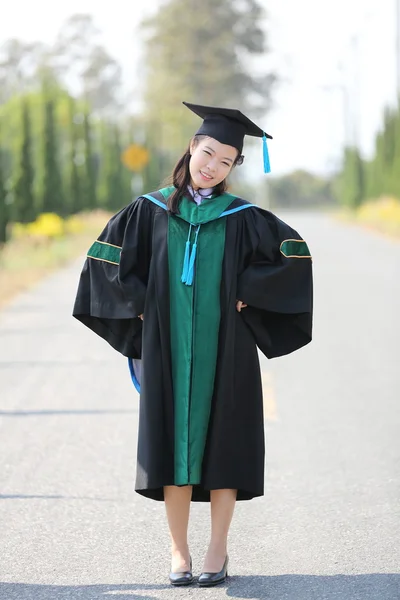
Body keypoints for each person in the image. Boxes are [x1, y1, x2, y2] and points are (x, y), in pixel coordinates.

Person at [72, 101, 313, 587]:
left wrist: (249, 291)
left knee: (226, 446)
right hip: (168, 349)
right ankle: (178, 552)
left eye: (225, 160)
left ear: (232, 167)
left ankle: (216, 551)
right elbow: (105, 260)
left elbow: (294, 256)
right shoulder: (150, 209)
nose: (213, 166)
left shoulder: (244, 218)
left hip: (228, 351)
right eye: (208, 153)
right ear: (191, 148)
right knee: (172, 447)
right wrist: (143, 303)